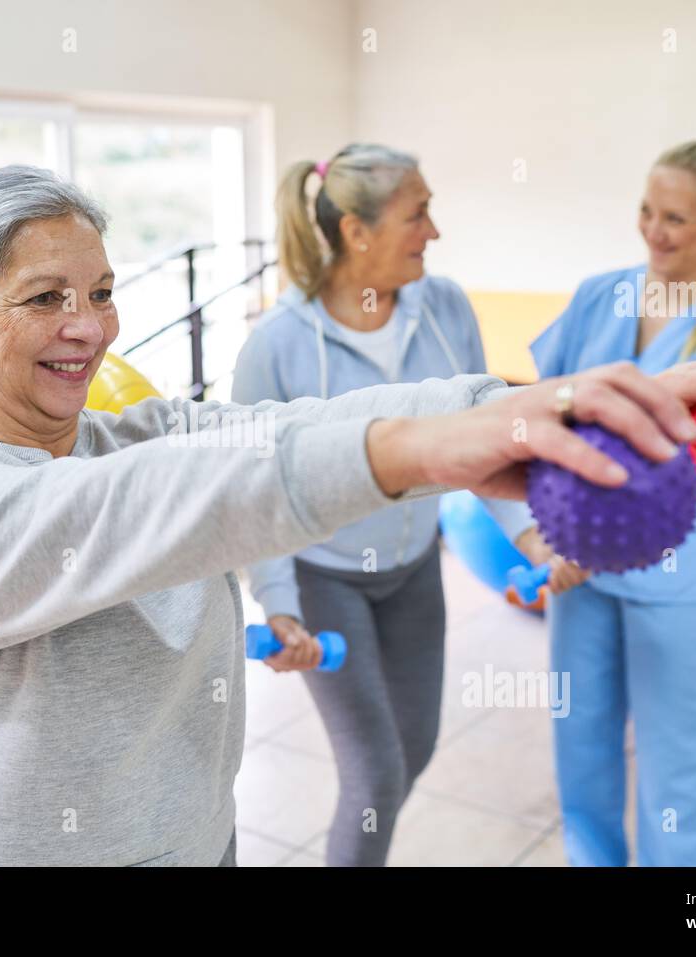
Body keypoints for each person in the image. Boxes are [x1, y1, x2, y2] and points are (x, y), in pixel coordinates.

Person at [0, 163, 696, 867]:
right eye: (43, 299)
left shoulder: (134, 434)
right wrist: (418, 455)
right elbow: (158, 507)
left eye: (99, 293)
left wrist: (539, 406)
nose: (89, 328)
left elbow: (293, 427)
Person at [229, 143, 585, 867]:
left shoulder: (446, 306)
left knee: (411, 750)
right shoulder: (276, 343)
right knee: (376, 771)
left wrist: (539, 538)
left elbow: (486, 439)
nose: (434, 231)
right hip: (325, 577)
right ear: (357, 230)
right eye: (417, 214)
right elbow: (251, 486)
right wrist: (277, 600)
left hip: (415, 569)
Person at [511, 140, 696, 866]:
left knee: (676, 760)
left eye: (676, 219)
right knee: (582, 741)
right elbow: (539, 423)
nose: (653, 231)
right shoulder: (601, 294)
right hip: (580, 564)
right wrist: (543, 538)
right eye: (646, 211)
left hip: (676, 575)